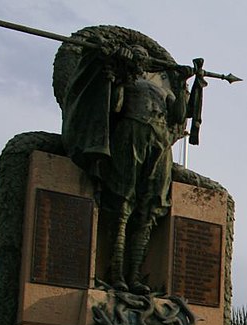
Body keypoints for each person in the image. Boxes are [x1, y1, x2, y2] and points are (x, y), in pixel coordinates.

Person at [62, 38, 191, 293]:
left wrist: (186, 86)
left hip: (160, 142)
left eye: (144, 56)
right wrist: (116, 78)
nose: (142, 58)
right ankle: (116, 271)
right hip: (130, 135)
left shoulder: (164, 86)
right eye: (137, 55)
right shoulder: (125, 80)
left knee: (150, 208)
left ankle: (135, 275)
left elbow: (177, 116)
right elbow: (116, 107)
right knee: (122, 203)